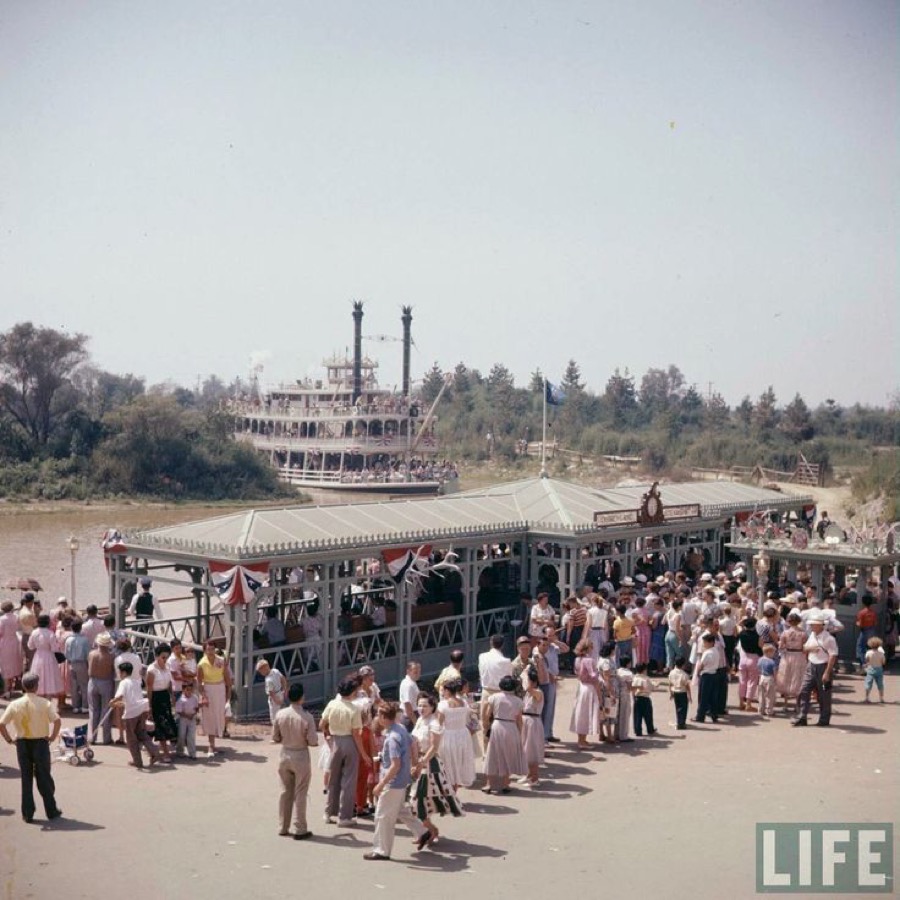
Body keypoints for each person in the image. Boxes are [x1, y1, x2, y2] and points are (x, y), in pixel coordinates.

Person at [364, 701, 428, 861]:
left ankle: (381, 850)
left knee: (382, 816)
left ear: (384, 717)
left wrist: (380, 784)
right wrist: (414, 763)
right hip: (402, 780)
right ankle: (422, 831)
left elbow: (395, 765)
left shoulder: (392, 737)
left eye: (379, 714)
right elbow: (413, 742)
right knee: (400, 810)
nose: (377, 717)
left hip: (393, 782)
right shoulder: (400, 729)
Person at [0, 672, 63, 823]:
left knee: (26, 779)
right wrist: (53, 737)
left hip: (22, 743)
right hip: (40, 743)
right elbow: (57, 721)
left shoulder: (15, 704)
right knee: (44, 777)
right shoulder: (45, 703)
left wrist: (9, 739)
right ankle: (51, 810)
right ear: (36, 686)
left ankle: (28, 813)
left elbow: (2, 724)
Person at [410, 693, 462, 846]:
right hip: (417, 761)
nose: (421, 708)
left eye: (425, 705)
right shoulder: (420, 720)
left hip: (429, 765)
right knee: (418, 801)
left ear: (432, 707)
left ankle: (431, 830)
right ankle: (424, 831)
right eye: (419, 705)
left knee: (418, 799)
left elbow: (434, 747)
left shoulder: (434, 723)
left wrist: (422, 762)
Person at [320, 676, 370, 826]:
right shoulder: (354, 709)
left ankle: (328, 812)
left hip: (335, 740)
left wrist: (328, 736)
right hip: (349, 742)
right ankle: (345, 816)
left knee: (333, 779)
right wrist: (364, 754)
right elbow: (356, 733)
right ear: (352, 691)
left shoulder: (332, 704)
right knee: (349, 781)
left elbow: (322, 723)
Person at [273, 682, 319, 840]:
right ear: (302, 698)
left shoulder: (280, 714)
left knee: (285, 791)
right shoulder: (307, 717)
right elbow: (313, 741)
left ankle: (283, 826)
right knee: (301, 792)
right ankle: (300, 827)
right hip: (300, 754)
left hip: (285, 753)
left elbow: (275, 737)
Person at [792, 611, 839, 727]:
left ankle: (824, 719)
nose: (811, 626)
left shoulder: (829, 639)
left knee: (824, 695)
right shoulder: (813, 635)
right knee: (804, 690)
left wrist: (827, 672)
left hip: (823, 666)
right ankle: (802, 716)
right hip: (811, 665)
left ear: (821, 625)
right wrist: (810, 649)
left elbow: (833, 656)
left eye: (813, 624)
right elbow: (805, 648)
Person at [111, 661, 160, 769]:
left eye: (120, 672)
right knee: (142, 734)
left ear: (123, 672)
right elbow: (132, 697)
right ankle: (155, 752)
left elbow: (119, 696)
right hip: (141, 710)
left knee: (131, 739)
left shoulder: (123, 683)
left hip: (131, 714)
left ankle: (137, 761)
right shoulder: (136, 681)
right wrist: (120, 703)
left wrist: (112, 702)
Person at [482, 674, 526, 793]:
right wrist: (520, 733)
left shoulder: (494, 697)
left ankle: (489, 784)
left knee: (493, 755)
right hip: (511, 727)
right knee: (508, 755)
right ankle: (506, 784)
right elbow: (519, 720)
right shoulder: (518, 701)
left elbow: (487, 714)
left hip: (497, 725)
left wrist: (486, 726)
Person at [436, 678, 476, 790]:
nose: (442, 693)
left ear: (448, 691)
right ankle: (455, 791)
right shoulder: (463, 702)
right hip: (463, 735)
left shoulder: (443, 705)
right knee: (459, 762)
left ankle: (451, 792)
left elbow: (438, 723)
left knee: (448, 763)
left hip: (449, 735)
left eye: (443, 690)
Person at [196, 640, 232, 758]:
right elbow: (199, 682)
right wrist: (203, 696)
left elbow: (227, 678)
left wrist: (228, 695)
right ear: (205, 650)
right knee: (209, 716)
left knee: (220, 715)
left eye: (212, 649)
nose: (210, 651)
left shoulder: (221, 660)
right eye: (208, 649)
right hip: (208, 689)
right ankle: (211, 745)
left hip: (220, 688)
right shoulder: (201, 664)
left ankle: (215, 743)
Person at [533, 627, 568, 743]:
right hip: (544, 681)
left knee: (551, 708)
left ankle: (548, 733)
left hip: (552, 681)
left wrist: (555, 641)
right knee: (544, 708)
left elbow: (566, 649)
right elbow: (540, 664)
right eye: (549, 635)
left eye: (553, 635)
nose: (551, 637)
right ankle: (542, 735)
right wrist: (550, 675)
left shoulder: (552, 647)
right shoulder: (538, 648)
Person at [146, 643, 178, 762]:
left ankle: (161, 750)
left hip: (165, 696)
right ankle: (165, 753)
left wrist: (172, 695)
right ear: (157, 656)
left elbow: (169, 683)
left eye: (167, 657)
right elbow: (149, 688)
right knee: (160, 726)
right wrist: (149, 705)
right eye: (163, 657)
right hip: (156, 698)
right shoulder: (151, 669)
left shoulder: (167, 667)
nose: (165, 659)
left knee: (169, 723)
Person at [570, 638, 602, 748]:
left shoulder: (577, 659)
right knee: (586, 713)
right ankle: (582, 741)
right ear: (588, 648)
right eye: (591, 646)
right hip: (589, 688)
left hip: (581, 687)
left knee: (581, 712)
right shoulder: (589, 660)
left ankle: (581, 739)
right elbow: (594, 677)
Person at [87, 633, 116, 744]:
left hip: (93, 681)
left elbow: (88, 667)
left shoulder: (92, 654)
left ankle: (93, 737)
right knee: (106, 711)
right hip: (106, 682)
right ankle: (106, 738)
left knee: (93, 711)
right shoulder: (111, 656)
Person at [519, 667, 545, 786]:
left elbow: (528, 688)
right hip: (526, 721)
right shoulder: (528, 694)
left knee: (532, 750)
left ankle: (535, 778)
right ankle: (528, 775)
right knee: (525, 750)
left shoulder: (538, 692)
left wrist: (525, 675)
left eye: (529, 680)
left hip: (533, 722)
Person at [63, 619, 91, 713]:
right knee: (84, 685)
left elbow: (66, 654)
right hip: (82, 663)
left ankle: (75, 706)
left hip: (71, 663)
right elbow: (88, 654)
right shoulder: (85, 640)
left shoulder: (68, 640)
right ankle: (84, 706)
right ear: (80, 628)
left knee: (74, 686)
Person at [0, 599, 24, 696]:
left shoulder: (2, 619)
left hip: (5, 642)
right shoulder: (16, 617)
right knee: (13, 664)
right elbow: (19, 628)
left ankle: (6, 690)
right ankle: (10, 688)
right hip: (14, 641)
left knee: (5, 666)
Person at [694, 635, 719, 723]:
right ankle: (714, 714)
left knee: (703, 697)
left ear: (711, 642)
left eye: (705, 642)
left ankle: (700, 716)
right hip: (714, 674)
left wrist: (697, 673)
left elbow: (702, 665)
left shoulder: (707, 652)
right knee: (712, 697)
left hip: (706, 675)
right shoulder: (716, 651)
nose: (704, 644)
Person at [257, 659, 287, 726]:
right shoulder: (275, 671)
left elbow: (271, 692)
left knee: (274, 716)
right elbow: (283, 679)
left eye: (261, 671)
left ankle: (276, 730)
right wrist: (285, 690)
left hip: (274, 698)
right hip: (280, 693)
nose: (261, 674)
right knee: (282, 713)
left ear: (264, 669)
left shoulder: (268, 680)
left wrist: (276, 701)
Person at [175, 681, 200, 758]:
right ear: (183, 690)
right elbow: (179, 711)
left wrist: (193, 714)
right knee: (182, 735)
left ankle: (192, 753)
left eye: (191, 689)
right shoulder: (181, 700)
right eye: (187, 689)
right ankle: (180, 751)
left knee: (191, 736)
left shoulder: (195, 698)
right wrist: (186, 715)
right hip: (183, 719)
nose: (189, 691)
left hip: (192, 719)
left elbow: (196, 708)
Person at [631, 662, 656, 736]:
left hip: (637, 698)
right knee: (648, 715)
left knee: (637, 716)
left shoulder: (634, 678)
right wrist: (656, 685)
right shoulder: (646, 678)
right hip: (645, 698)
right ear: (644, 670)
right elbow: (651, 688)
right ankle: (650, 729)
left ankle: (638, 731)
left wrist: (633, 698)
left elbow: (633, 689)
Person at [668, 656, 692, 730]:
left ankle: (679, 721)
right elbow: (687, 686)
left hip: (675, 692)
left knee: (678, 707)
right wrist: (689, 696)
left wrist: (671, 693)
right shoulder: (684, 674)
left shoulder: (671, 672)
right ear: (683, 665)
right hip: (683, 692)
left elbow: (670, 684)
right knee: (683, 708)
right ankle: (681, 724)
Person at [856, 597, 878, 668]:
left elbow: (860, 624)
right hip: (871, 630)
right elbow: (875, 623)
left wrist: (857, 623)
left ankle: (864, 664)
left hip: (864, 631)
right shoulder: (873, 612)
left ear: (863, 603)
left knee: (860, 647)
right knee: (870, 648)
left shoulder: (861, 613)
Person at [398, 661, 421, 731]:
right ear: (408, 672)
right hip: (410, 718)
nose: (418, 674)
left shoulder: (411, 682)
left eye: (419, 672)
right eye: (415, 672)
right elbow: (407, 704)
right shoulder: (408, 685)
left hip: (412, 715)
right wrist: (415, 722)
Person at [757, 644, 779, 718]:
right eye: (773, 652)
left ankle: (761, 710)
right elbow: (774, 671)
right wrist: (776, 679)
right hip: (769, 678)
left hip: (762, 677)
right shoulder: (772, 662)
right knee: (770, 696)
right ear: (768, 652)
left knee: (761, 695)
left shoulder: (760, 660)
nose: (773, 654)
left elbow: (758, 669)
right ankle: (769, 711)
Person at [863, 637, 886, 704]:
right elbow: (883, 663)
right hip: (879, 669)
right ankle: (881, 698)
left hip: (870, 669)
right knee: (880, 684)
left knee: (868, 684)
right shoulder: (881, 654)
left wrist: (866, 665)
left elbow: (867, 661)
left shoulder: (868, 652)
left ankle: (867, 698)